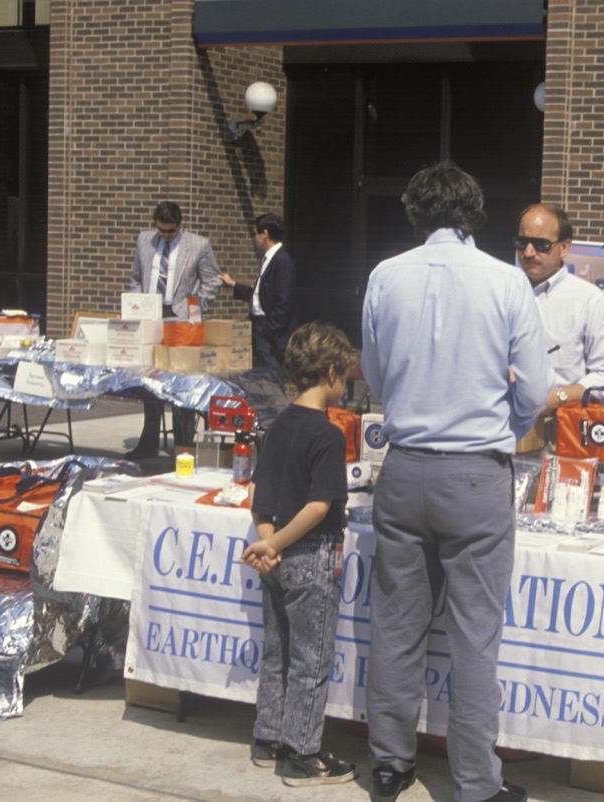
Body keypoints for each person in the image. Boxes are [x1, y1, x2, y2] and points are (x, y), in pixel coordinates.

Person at [360, 162, 552, 802]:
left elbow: (377, 377)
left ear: (415, 214)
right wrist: (506, 421)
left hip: (407, 463)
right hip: (476, 472)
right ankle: (476, 784)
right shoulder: (506, 281)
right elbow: (538, 389)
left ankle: (388, 763)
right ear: (473, 216)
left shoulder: (386, 275)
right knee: (475, 639)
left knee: (396, 624)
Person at [239, 320, 358, 786]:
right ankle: (302, 752)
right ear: (330, 372)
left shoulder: (278, 424)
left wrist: (268, 541)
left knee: (278, 650)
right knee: (311, 659)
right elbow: (319, 505)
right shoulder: (326, 435)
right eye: (345, 374)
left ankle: (268, 737)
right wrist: (275, 543)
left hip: (276, 558)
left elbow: (259, 495)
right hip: (310, 554)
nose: (346, 383)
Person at [125, 201, 222, 460]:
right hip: (151, 316)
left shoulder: (199, 245)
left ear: (180, 225)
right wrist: (138, 303)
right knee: (151, 383)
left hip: (181, 320)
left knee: (181, 385)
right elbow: (135, 277)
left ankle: (183, 446)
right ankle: (148, 443)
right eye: (162, 231)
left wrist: (196, 307)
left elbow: (212, 279)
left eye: (171, 231)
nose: (166, 235)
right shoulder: (145, 241)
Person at [515, 203, 604, 417]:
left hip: (560, 433)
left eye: (541, 244)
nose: (528, 252)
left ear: (564, 247)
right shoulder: (500, 294)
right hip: (501, 432)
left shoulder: (589, 300)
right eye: (521, 242)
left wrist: (558, 396)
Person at [217, 213, 300, 388]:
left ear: (265, 234)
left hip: (270, 334)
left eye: (254, 233)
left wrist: (269, 331)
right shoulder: (269, 260)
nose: (253, 238)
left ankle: (274, 414)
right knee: (264, 381)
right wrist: (234, 285)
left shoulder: (282, 261)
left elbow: (284, 303)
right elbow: (260, 296)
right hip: (262, 329)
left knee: (272, 381)